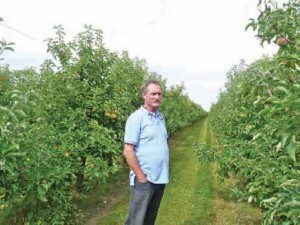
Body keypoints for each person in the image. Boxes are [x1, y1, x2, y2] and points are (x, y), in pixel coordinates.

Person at [123, 80, 169, 225]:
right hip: (145, 178)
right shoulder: (136, 118)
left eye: (159, 94)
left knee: (149, 219)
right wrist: (141, 176)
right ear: (144, 95)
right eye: (153, 93)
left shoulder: (160, 117)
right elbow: (128, 150)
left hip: (160, 177)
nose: (157, 97)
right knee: (136, 220)